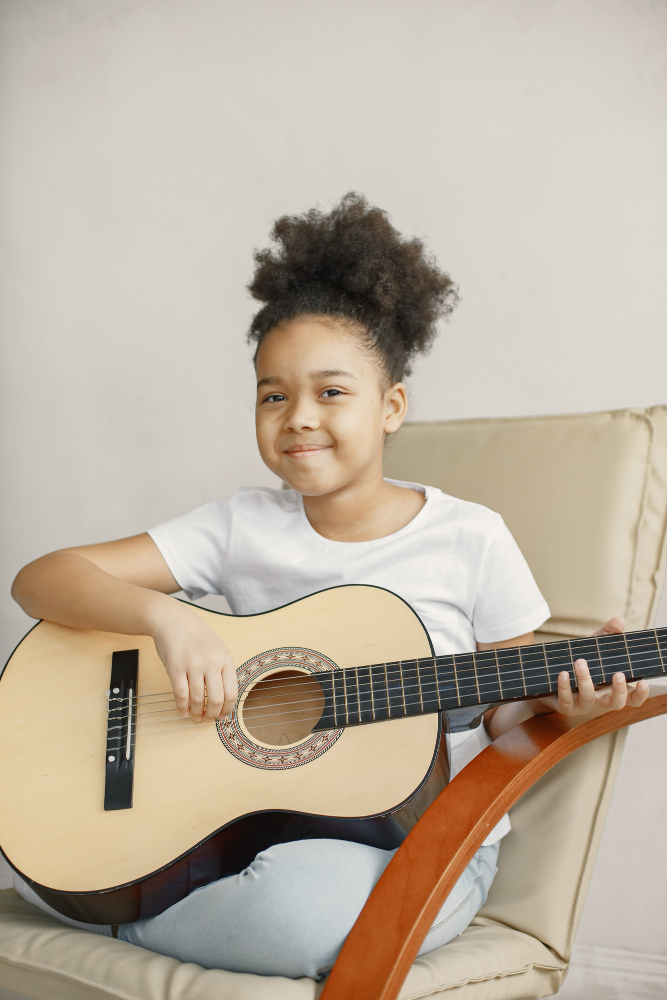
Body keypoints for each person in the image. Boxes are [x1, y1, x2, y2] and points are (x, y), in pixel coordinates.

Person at [10, 191, 649, 980]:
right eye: (272, 395)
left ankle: (116, 909)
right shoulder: (239, 526)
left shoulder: (469, 538)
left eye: (331, 392)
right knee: (259, 892)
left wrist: (563, 701)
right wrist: (162, 620)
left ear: (391, 407)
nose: (298, 417)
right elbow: (42, 579)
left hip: (418, 837)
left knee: (294, 916)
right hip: (254, 820)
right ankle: (102, 877)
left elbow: (500, 704)